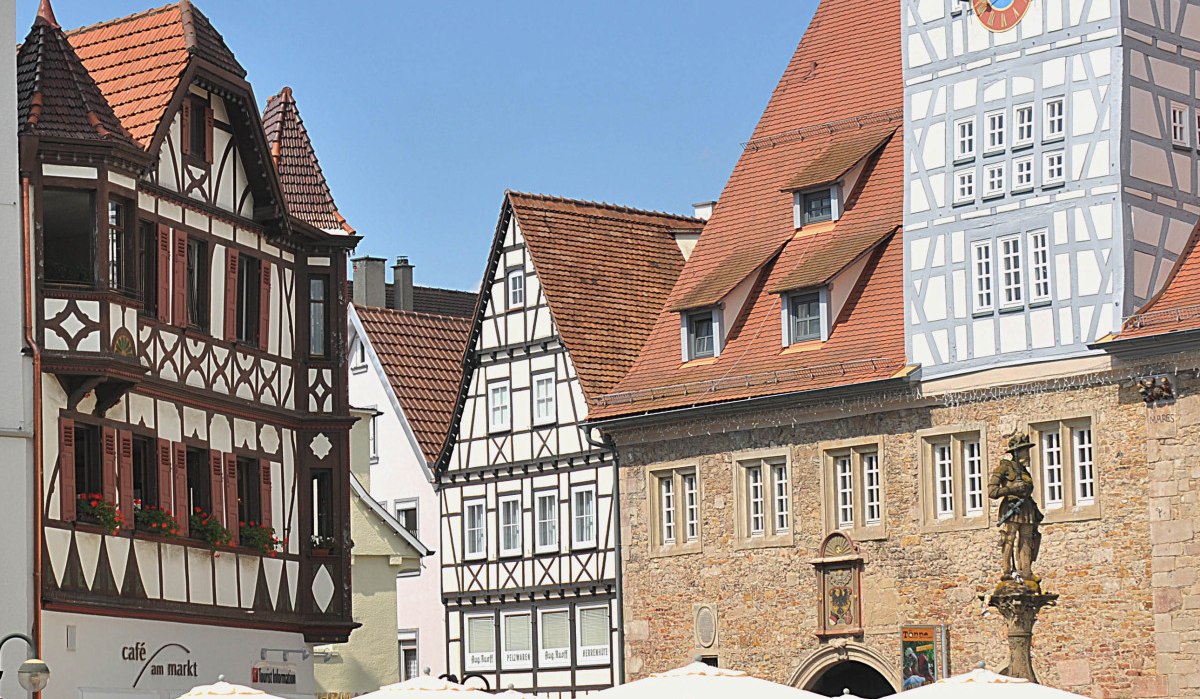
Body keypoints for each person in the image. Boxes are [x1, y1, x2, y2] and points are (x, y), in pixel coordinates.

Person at [988, 433, 1044, 584]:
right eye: (1024, 450)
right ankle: (1007, 571)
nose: (1027, 453)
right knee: (1009, 538)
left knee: (1027, 538)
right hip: (1012, 508)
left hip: (1026, 509)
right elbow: (992, 492)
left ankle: (1026, 571)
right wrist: (1012, 490)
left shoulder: (1025, 472)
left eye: (1027, 450)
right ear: (1016, 452)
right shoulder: (1003, 468)